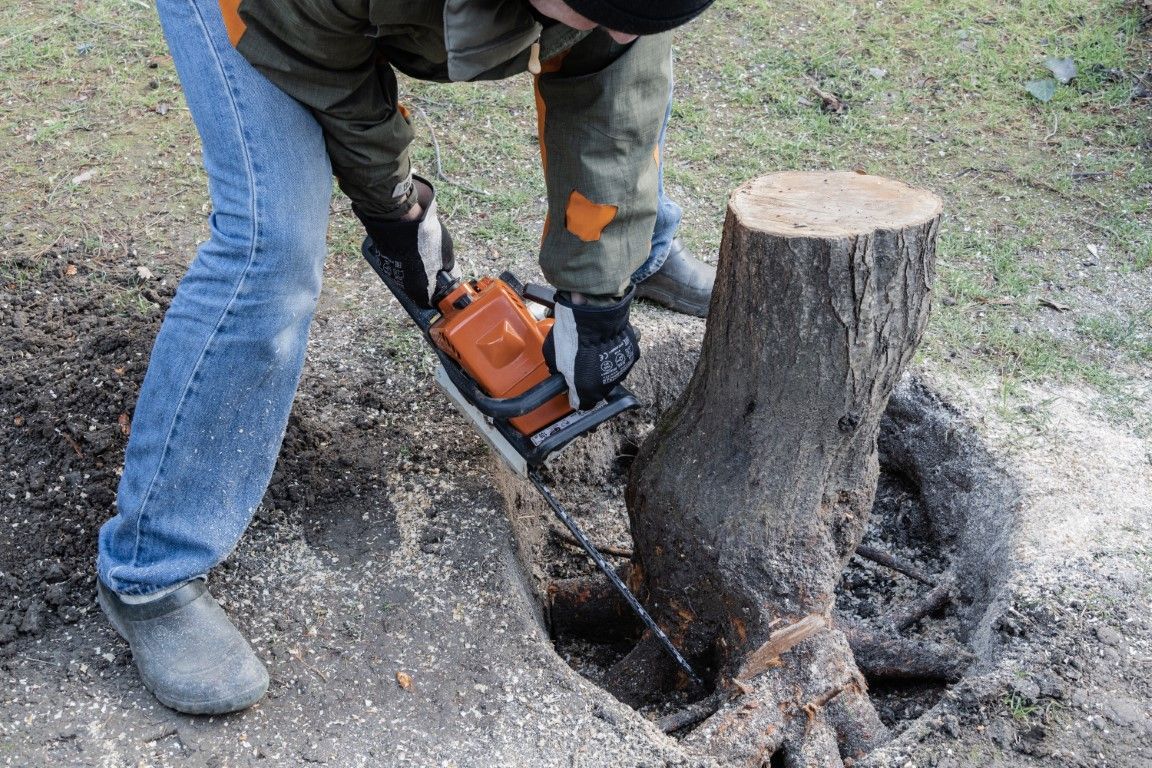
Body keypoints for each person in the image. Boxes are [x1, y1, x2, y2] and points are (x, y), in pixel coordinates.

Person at [96, 0, 716, 715]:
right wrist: (395, 210)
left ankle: (646, 246)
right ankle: (151, 569)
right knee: (271, 252)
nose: (626, 28)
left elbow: (617, 86)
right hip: (268, 12)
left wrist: (599, 289)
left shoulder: (627, 12)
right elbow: (328, 72)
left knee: (618, 67)